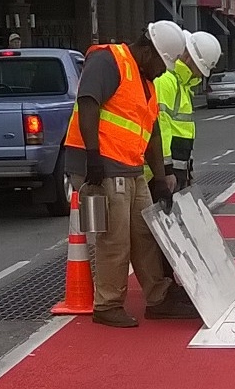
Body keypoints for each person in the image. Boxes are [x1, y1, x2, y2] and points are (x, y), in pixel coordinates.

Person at [64, 23, 199, 328]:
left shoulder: (146, 84)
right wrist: (93, 156)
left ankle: (158, 297)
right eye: (162, 64)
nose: (164, 72)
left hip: (130, 167)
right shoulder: (109, 60)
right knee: (115, 239)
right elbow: (88, 102)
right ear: (148, 50)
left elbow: (152, 134)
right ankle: (107, 304)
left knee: (145, 234)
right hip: (103, 166)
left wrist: (162, 179)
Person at [151, 30, 221, 188]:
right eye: (199, 69)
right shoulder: (166, 81)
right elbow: (162, 127)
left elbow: (181, 131)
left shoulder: (182, 85)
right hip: (164, 172)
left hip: (176, 170)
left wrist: (187, 168)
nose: (200, 75)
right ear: (190, 59)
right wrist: (165, 171)